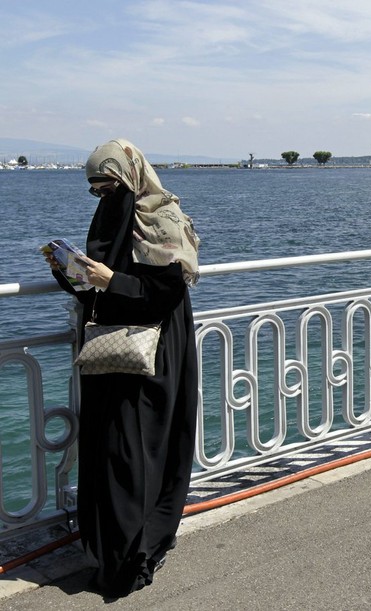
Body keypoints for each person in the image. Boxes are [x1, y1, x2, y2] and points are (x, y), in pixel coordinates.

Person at [44, 139, 200, 598]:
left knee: (135, 451)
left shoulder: (161, 218)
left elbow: (168, 289)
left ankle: (135, 553)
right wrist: (70, 272)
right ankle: (110, 552)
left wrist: (111, 279)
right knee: (110, 449)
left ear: (129, 177)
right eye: (95, 191)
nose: (102, 198)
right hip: (112, 350)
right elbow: (100, 292)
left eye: (108, 187)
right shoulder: (114, 217)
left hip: (153, 350)